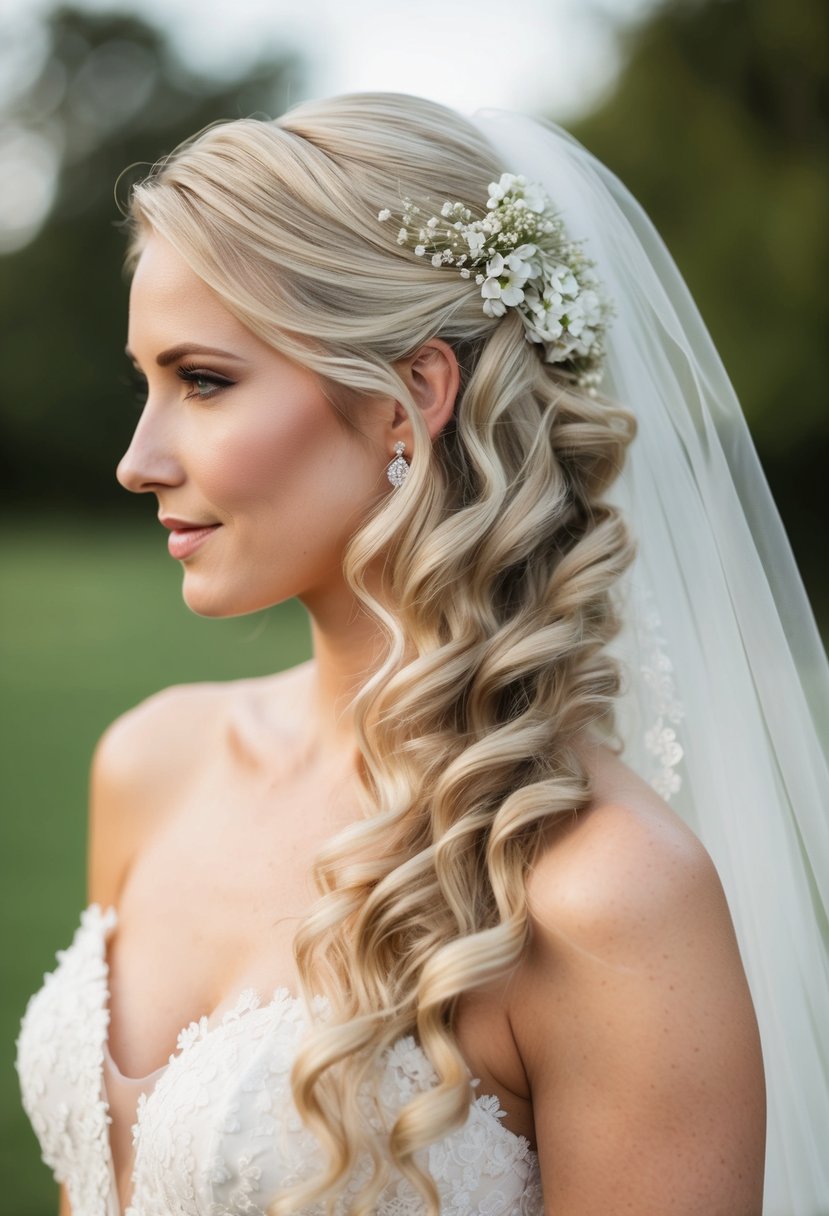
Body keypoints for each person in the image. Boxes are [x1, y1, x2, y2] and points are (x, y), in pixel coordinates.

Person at [15, 92, 828, 1216]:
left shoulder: (601, 893)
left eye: (203, 381)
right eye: (145, 382)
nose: (138, 458)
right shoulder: (149, 764)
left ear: (411, 397)